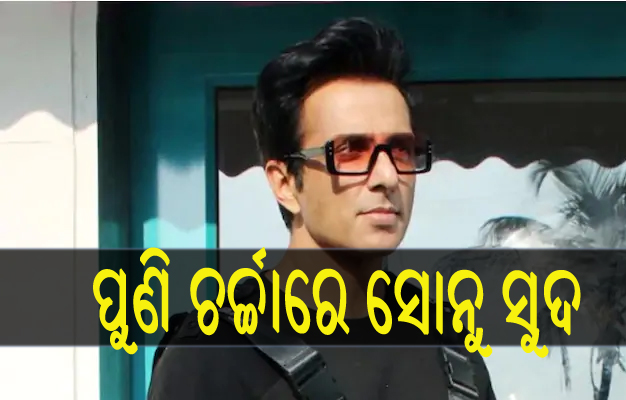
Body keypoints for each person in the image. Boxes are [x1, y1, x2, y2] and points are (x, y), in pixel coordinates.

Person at [148, 17, 497, 400]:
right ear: (285, 183)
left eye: (400, 150)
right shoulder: (213, 355)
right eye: (350, 151)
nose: (387, 176)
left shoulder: (449, 346)